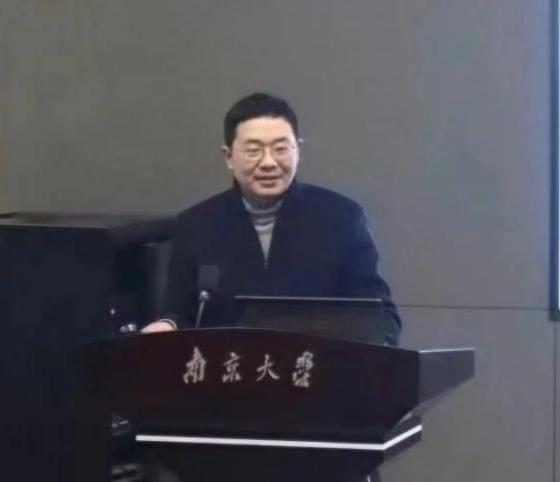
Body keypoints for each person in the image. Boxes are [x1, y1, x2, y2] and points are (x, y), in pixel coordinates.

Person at [142, 92, 401, 344]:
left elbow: (381, 317)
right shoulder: (196, 225)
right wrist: (167, 325)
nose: (268, 162)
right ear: (229, 157)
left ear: (298, 150)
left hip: (316, 367)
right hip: (228, 368)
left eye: (280, 149)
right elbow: (179, 314)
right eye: (253, 150)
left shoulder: (341, 218)